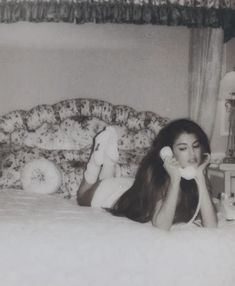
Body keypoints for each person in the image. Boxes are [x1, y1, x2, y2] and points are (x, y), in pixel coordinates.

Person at [77, 119, 218, 230]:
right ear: (168, 152)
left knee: (108, 179)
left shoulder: (195, 173)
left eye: (196, 146)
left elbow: (211, 225)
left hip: (131, 187)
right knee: (82, 197)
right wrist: (175, 180)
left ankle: (109, 162)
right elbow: (162, 225)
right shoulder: (159, 176)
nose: (192, 154)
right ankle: (95, 163)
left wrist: (201, 177)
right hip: (113, 194)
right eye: (183, 148)